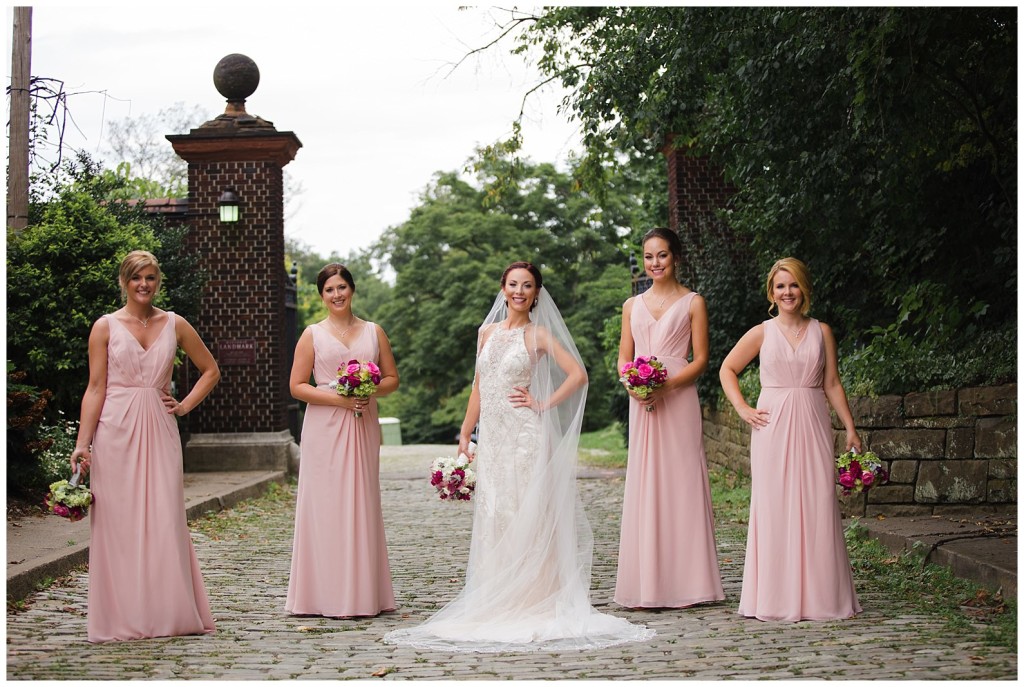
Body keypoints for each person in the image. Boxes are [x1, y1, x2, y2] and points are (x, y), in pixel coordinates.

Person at [384, 262, 654, 652]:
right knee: (496, 512)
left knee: (526, 511)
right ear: (503, 288)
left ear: (536, 293)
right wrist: (465, 430)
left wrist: (543, 403)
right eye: (513, 284)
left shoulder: (538, 334)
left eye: (527, 286)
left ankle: (533, 598)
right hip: (492, 437)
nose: (519, 291)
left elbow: (579, 375)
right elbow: (479, 384)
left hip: (526, 434)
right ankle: (497, 594)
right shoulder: (486, 332)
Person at [69, 250, 220, 643]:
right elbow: (95, 388)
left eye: (150, 278)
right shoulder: (104, 327)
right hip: (115, 429)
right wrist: (83, 444)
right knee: (118, 523)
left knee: (164, 517)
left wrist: (184, 404)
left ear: (158, 281)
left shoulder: (175, 323)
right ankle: (123, 615)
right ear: (124, 282)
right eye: (136, 278)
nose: (144, 285)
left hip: (159, 427)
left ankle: (167, 611)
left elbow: (211, 370)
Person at [719, 257, 862, 622]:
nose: (788, 292)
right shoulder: (761, 332)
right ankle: (775, 598)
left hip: (812, 422)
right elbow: (728, 369)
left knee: (818, 502)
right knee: (775, 505)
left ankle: (821, 598)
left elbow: (831, 383)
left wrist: (850, 427)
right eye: (781, 286)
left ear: (805, 289)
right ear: (772, 292)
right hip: (773, 426)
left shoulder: (822, 331)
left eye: (794, 285)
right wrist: (742, 407)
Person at [614, 227, 725, 609]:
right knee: (647, 483)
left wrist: (666, 386)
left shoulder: (694, 302)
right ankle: (649, 584)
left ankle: (691, 584)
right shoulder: (632, 306)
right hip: (643, 401)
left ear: (675, 257)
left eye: (662, 255)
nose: (655, 263)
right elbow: (624, 358)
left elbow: (702, 360)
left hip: (678, 398)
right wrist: (634, 385)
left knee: (682, 482)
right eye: (648, 256)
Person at [285, 263, 398, 618]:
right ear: (322, 295)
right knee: (325, 505)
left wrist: (368, 386)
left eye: (342, 288)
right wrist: (340, 398)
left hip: (363, 424)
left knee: (360, 501)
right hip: (324, 427)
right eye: (329, 290)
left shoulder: (374, 332)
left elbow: (393, 379)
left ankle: (362, 593)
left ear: (352, 289)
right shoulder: (312, 335)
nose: (337, 295)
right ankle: (319, 595)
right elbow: (297, 386)